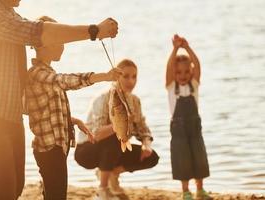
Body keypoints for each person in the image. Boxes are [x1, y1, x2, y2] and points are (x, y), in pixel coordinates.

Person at [0, 0, 118, 199]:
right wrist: (94, 30)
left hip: (9, 115)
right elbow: (38, 33)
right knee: (4, 190)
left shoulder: (9, 13)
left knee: (15, 187)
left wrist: (62, 117)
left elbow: (24, 88)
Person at [25, 15, 122, 200]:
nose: (63, 45)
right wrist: (104, 76)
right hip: (49, 149)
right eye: (60, 41)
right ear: (42, 45)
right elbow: (65, 81)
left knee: (53, 194)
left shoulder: (46, 73)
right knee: (56, 195)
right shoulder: (38, 74)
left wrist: (72, 120)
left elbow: (43, 112)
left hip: (56, 148)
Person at [75, 59, 159, 200]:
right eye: (125, 76)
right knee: (115, 138)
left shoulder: (135, 101)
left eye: (134, 76)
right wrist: (118, 124)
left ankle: (112, 173)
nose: (130, 81)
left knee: (152, 157)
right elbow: (96, 134)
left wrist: (146, 145)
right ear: (116, 77)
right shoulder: (103, 98)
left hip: (114, 150)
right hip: (87, 150)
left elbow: (143, 129)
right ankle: (102, 190)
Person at [165, 34, 212, 200]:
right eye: (179, 72)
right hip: (178, 132)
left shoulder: (194, 85)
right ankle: (185, 191)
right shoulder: (171, 87)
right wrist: (175, 49)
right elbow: (170, 67)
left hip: (194, 129)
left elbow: (197, 64)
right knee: (182, 158)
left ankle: (200, 189)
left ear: (191, 71)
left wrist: (187, 47)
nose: (183, 75)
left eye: (186, 71)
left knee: (199, 157)